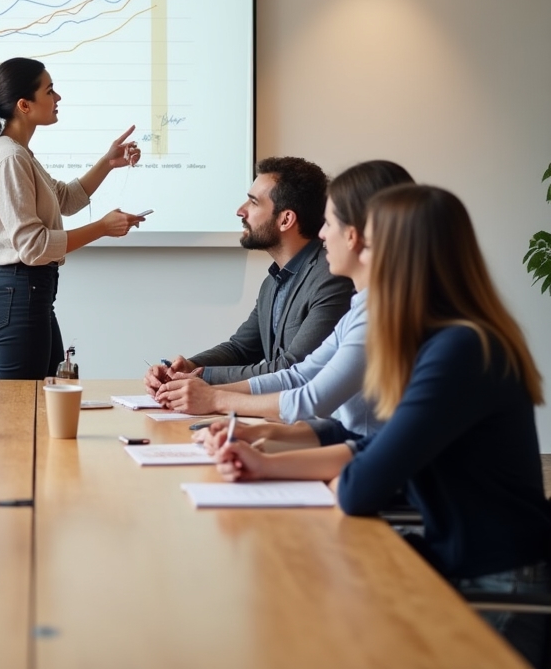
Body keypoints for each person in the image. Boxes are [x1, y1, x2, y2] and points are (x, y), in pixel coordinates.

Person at [214, 185, 551, 667]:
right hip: (454, 561)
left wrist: (281, 461)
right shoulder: (439, 339)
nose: (339, 240)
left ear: (398, 255)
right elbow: (366, 443)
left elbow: (361, 484)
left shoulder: (460, 351)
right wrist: (264, 464)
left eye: (363, 240)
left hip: (494, 583)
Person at [194, 160, 412, 447]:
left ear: (355, 235)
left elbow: (311, 396)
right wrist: (194, 374)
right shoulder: (360, 306)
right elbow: (302, 376)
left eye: (330, 222)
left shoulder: (367, 306)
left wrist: (214, 396)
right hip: (351, 446)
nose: (322, 234)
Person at [0, 57, 145, 379]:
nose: (58, 98)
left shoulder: (18, 153)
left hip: (30, 293)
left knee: (45, 398)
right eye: (50, 91)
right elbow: (34, 246)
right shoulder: (10, 157)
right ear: (24, 104)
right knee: (19, 412)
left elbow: (64, 199)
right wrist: (103, 227)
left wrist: (108, 162)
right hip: (19, 294)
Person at [147, 157, 354, 411]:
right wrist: (185, 368)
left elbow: (292, 367)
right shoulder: (273, 281)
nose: (240, 210)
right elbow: (241, 349)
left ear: (286, 219)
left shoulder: (331, 277)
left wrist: (202, 378)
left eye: (254, 202)